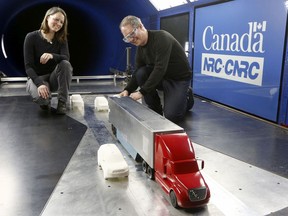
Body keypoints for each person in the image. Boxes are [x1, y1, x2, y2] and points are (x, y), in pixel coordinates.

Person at [119, 15, 194, 123]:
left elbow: (160, 68)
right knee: (141, 73)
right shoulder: (141, 48)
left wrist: (142, 92)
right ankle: (155, 109)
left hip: (178, 79)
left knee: (172, 116)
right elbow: (137, 72)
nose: (131, 39)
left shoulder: (162, 38)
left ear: (140, 26)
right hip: (162, 77)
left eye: (131, 34)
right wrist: (127, 90)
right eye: (127, 38)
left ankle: (187, 96)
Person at [24, 6, 73, 114]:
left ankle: (62, 102)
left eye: (61, 22)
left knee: (65, 64)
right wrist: (39, 84)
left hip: (53, 78)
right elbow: (28, 67)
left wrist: (52, 55)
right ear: (47, 18)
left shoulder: (61, 39)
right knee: (43, 100)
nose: (59, 24)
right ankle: (45, 101)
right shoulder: (31, 37)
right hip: (37, 77)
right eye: (56, 19)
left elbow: (66, 58)